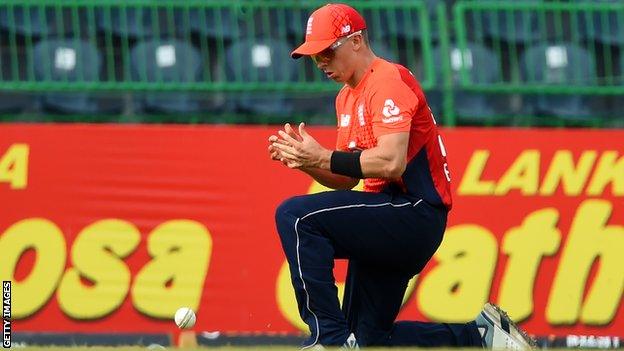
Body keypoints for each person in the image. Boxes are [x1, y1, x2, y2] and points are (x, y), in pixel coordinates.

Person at [268, 3, 535, 349]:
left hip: (414, 211)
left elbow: (391, 163)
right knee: (369, 338)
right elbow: (347, 177)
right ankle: (480, 334)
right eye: (314, 56)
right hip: (391, 215)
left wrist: (323, 156)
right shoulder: (346, 98)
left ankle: (329, 339)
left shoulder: (387, 81)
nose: (321, 63)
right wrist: (305, 161)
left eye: (326, 52)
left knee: (295, 217)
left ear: (356, 41)